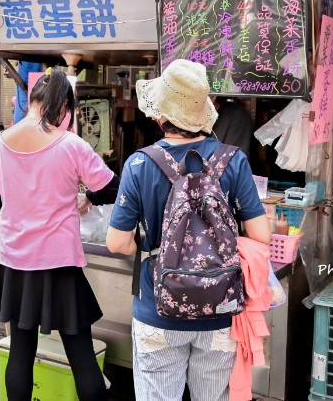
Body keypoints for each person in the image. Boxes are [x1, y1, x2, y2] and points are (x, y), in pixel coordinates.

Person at [106, 59, 271, 401]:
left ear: (160, 116)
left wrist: (151, 245)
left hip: (157, 308)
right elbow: (261, 236)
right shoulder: (234, 160)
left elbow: (117, 243)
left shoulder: (138, 164)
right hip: (220, 312)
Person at [0, 67, 118, 401]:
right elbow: (113, 187)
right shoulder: (72, 145)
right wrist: (86, 197)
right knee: (81, 354)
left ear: (31, 100)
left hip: (15, 261)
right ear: (64, 108)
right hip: (59, 262)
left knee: (21, 351)